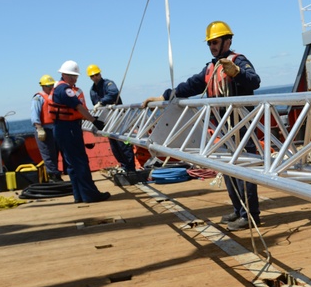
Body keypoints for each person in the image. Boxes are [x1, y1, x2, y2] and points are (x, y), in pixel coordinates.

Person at [142, 21, 262, 230]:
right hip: (223, 128)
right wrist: (162, 96)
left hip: (242, 126)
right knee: (226, 169)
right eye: (209, 43)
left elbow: (254, 81)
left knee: (243, 170)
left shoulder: (238, 61)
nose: (212, 46)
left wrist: (236, 73)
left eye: (215, 42)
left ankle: (250, 216)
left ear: (227, 41)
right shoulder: (211, 68)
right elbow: (190, 86)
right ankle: (238, 211)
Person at [48, 60, 111, 204]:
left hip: (61, 128)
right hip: (68, 128)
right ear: (65, 75)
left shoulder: (57, 88)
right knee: (80, 162)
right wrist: (94, 121)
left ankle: (79, 195)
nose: (75, 79)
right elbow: (79, 108)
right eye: (73, 76)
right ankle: (90, 195)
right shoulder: (65, 90)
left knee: (72, 164)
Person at [86, 64, 137, 173]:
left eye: (97, 74)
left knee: (124, 143)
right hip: (107, 121)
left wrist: (101, 102)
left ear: (100, 73)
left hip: (119, 119)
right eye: (92, 76)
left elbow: (113, 93)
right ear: (90, 77)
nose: (95, 77)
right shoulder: (92, 90)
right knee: (114, 146)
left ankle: (131, 169)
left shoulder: (108, 84)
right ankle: (124, 166)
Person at [31, 74, 63, 182]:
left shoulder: (53, 97)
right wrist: (39, 129)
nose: (51, 87)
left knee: (55, 153)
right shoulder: (38, 98)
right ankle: (53, 177)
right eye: (48, 85)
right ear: (43, 86)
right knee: (47, 154)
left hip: (54, 129)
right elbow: (35, 115)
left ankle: (56, 174)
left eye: (52, 85)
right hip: (44, 130)